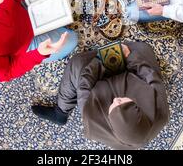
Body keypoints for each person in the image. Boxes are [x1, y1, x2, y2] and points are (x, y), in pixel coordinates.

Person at [31, 42, 169, 150]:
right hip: (130, 76)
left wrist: (101, 60)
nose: (116, 99)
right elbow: (150, 75)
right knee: (143, 49)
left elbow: (85, 84)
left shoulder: (92, 119)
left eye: (114, 106)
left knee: (77, 63)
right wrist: (130, 56)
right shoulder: (160, 110)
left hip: (97, 82)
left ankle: (61, 112)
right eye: (123, 102)